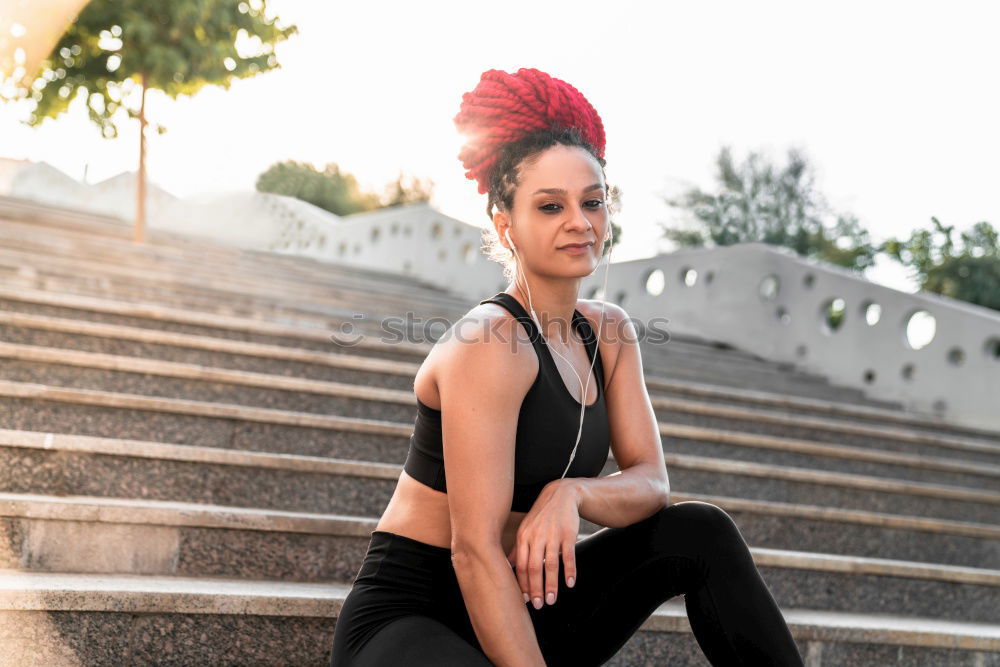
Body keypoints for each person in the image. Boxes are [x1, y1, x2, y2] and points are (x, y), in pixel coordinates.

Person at [329, 67, 804, 666]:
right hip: (418, 612)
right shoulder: (489, 341)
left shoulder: (610, 332)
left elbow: (652, 485)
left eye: (592, 202)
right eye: (551, 206)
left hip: (534, 599)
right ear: (507, 225)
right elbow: (474, 553)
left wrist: (572, 493)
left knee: (700, 532)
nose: (579, 222)